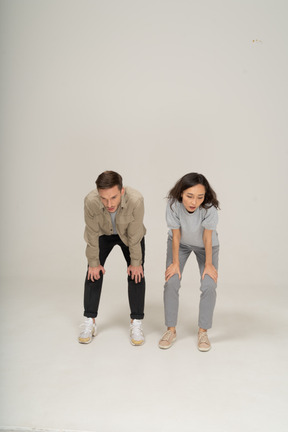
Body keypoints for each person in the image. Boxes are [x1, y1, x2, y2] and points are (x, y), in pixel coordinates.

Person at [79, 171, 146, 346]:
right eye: (104, 198)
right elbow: (92, 234)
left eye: (113, 198)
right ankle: (89, 321)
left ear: (122, 191)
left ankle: (136, 322)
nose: (109, 204)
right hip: (102, 234)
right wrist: (94, 263)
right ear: (98, 194)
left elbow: (135, 234)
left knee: (136, 273)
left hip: (129, 236)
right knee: (93, 272)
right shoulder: (90, 201)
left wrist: (136, 263)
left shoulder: (136, 200)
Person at [158, 173, 220, 351]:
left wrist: (208, 264)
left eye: (200, 197)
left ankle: (203, 332)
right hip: (180, 244)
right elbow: (176, 235)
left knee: (209, 284)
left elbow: (207, 238)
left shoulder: (209, 208)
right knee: (171, 281)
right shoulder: (173, 205)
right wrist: (175, 262)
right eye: (189, 196)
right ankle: (171, 330)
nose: (194, 202)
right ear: (181, 193)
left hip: (206, 246)